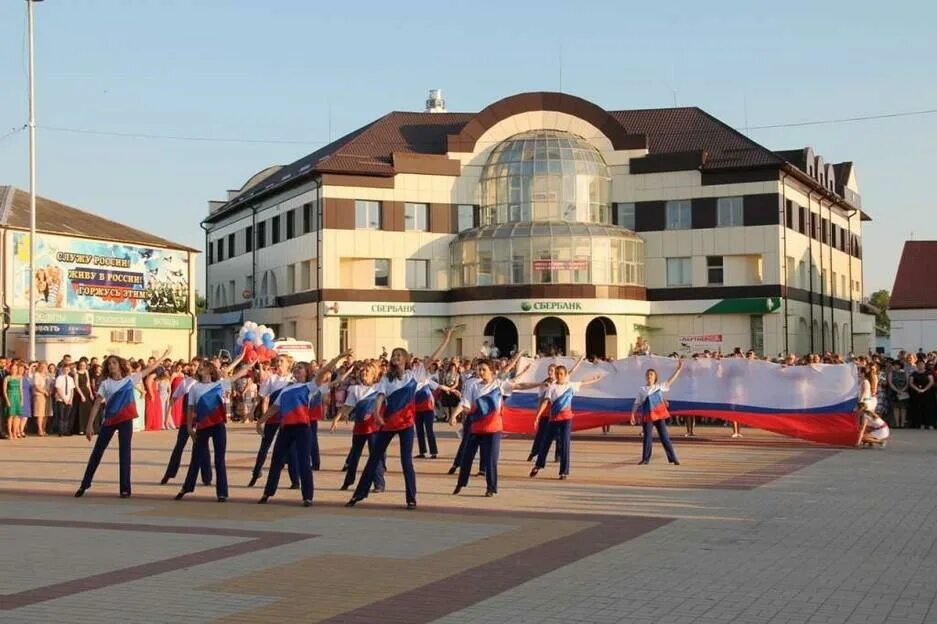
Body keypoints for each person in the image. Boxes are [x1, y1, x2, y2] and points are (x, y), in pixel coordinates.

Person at [346, 328, 455, 509]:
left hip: (406, 424)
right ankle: (358, 494)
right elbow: (380, 397)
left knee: (406, 461)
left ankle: (411, 498)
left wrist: (447, 339)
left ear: (405, 359)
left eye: (399, 354)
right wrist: (377, 414)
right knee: (374, 458)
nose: (395, 357)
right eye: (394, 355)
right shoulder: (386, 379)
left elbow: (433, 358)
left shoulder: (415, 374)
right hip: (388, 423)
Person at [75, 348, 171, 498]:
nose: (111, 365)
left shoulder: (130, 379)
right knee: (97, 452)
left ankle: (125, 489)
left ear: (120, 365)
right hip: (110, 420)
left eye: (114, 363)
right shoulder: (105, 384)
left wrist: (164, 356)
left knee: (124, 454)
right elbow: (96, 404)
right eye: (109, 364)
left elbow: (150, 369)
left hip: (125, 420)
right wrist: (89, 425)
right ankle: (84, 484)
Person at [174, 353, 246, 502]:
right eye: (200, 367)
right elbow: (190, 408)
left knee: (219, 459)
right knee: (196, 458)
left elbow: (235, 376)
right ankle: (186, 487)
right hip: (202, 426)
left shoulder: (219, 384)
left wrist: (247, 365)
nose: (201, 368)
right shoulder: (195, 388)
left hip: (218, 425)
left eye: (204, 366)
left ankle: (222, 493)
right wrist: (189, 428)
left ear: (211, 371)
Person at [451, 354, 525, 496]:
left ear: (491, 371)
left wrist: (539, 384)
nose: (480, 372)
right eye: (479, 370)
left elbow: (519, 385)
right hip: (476, 428)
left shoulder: (499, 384)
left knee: (491, 459)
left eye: (483, 369)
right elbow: (464, 403)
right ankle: (461, 483)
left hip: (493, 429)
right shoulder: (473, 386)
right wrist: (454, 415)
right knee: (467, 457)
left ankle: (491, 488)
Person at [529, 360, 602, 480]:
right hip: (553, 419)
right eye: (557, 373)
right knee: (545, 443)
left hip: (566, 420)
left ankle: (564, 471)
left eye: (561, 373)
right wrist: (538, 415)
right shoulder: (551, 387)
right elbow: (546, 401)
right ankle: (539, 465)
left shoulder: (570, 385)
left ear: (565, 374)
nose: (558, 376)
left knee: (565, 444)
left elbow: (583, 382)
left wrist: (595, 379)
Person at [332, 360, 386, 492]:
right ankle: (348, 482)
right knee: (354, 455)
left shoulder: (380, 387)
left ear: (374, 375)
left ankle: (379, 484)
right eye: (362, 372)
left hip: (374, 428)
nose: (363, 374)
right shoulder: (355, 389)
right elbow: (347, 406)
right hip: (359, 427)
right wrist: (336, 419)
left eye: (367, 372)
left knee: (375, 455)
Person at [249, 357, 297, 488]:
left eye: (282, 361)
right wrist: (252, 410)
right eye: (278, 361)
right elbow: (261, 395)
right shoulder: (272, 378)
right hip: (273, 415)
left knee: (291, 448)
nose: (279, 363)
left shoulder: (293, 379)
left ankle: (295, 480)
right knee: (264, 445)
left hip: (287, 417)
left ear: (289, 364)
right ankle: (256, 472)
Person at [159, 366, 211, 487]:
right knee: (179, 446)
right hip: (185, 419)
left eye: (197, 366)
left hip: (200, 419)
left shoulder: (205, 382)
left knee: (203, 447)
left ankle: (206, 477)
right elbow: (174, 398)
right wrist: (167, 416)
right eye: (193, 366)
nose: (194, 369)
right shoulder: (185, 382)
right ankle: (169, 473)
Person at [630, 359, 685, 465]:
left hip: (659, 416)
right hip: (648, 416)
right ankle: (645, 459)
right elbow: (637, 403)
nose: (649, 376)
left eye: (651, 374)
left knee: (665, 437)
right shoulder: (642, 389)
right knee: (647, 438)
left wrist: (678, 370)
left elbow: (670, 381)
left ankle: (673, 458)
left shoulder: (659, 387)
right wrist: (632, 414)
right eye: (648, 374)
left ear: (655, 377)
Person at [412, 357, 439, 459]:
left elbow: (438, 386)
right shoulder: (411, 379)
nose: (416, 365)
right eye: (415, 364)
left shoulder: (427, 378)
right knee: (419, 430)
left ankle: (433, 452)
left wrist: (452, 390)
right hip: (417, 409)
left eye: (418, 364)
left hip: (427, 408)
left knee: (429, 430)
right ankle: (422, 451)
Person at [4, 362, 24, 439]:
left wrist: (22, 400)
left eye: (15, 369)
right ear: (10, 369)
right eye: (12, 369)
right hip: (10, 396)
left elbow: (21, 390)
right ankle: (10, 433)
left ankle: (15, 432)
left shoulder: (19, 378)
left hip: (17, 398)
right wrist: (7, 400)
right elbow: (4, 391)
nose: (14, 370)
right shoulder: (7, 378)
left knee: (17, 416)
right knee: (10, 416)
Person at [53, 365, 76, 436]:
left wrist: (71, 399)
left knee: (67, 416)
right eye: (65, 369)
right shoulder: (59, 378)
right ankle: (60, 431)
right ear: (62, 370)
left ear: (69, 370)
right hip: (61, 399)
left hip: (69, 399)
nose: (66, 370)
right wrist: (64, 399)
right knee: (61, 416)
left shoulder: (70, 379)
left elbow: (72, 389)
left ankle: (66, 430)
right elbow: (58, 389)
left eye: (67, 369)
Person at [74, 359, 93, 435]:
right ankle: (80, 429)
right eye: (81, 365)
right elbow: (76, 385)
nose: (82, 366)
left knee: (88, 411)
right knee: (81, 412)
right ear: (79, 365)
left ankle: (87, 428)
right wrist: (81, 395)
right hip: (80, 392)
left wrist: (91, 393)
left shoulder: (86, 372)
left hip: (87, 392)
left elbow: (88, 384)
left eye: (84, 365)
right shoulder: (76, 374)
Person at [32, 361, 49, 436]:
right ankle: (40, 430)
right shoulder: (36, 375)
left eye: (45, 367)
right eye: (41, 366)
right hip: (39, 395)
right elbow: (36, 386)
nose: (43, 368)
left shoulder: (47, 376)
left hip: (48, 395)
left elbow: (51, 385)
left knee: (46, 414)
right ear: (39, 367)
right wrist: (44, 392)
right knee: (40, 414)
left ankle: (44, 428)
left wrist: (49, 391)